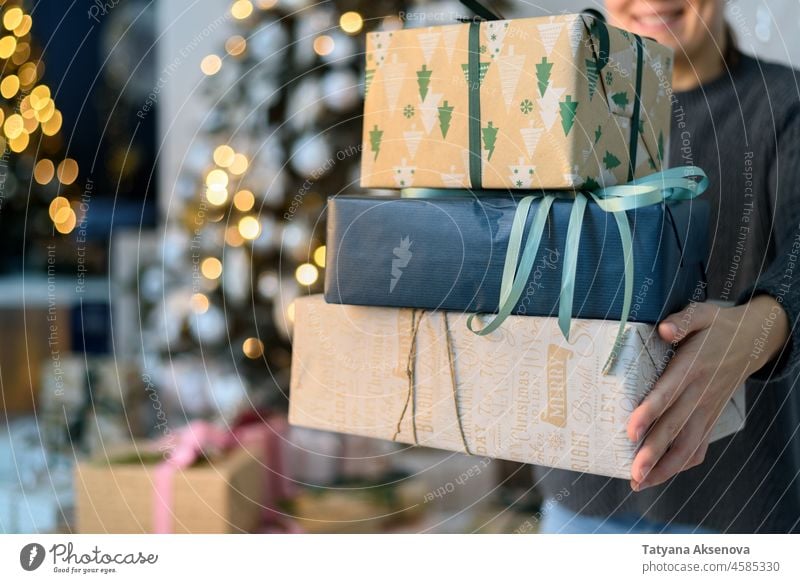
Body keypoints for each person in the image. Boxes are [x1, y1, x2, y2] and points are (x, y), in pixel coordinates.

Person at [534, 0, 800, 533]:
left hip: (739, 507)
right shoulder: (555, 108)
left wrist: (761, 321)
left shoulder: (786, 104)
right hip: (579, 502)